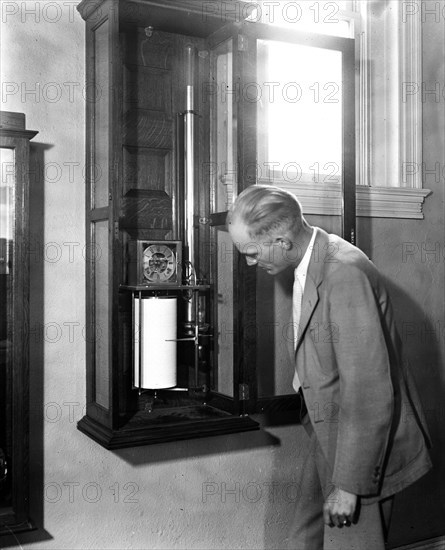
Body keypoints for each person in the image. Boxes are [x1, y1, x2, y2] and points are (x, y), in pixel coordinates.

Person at [227, 185, 432, 550]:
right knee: (303, 540)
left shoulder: (343, 273)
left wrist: (350, 486)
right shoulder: (312, 257)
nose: (249, 263)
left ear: (283, 241)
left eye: (252, 253)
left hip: (364, 444)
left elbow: (368, 390)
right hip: (330, 429)